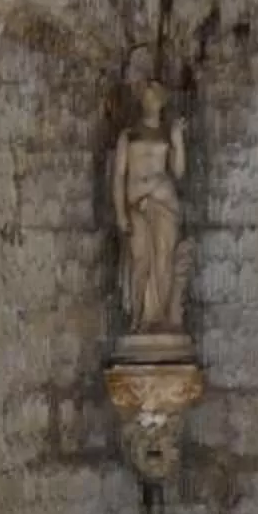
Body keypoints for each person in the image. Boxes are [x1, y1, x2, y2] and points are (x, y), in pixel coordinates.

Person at [111, 61, 188, 336]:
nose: (149, 101)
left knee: (164, 257)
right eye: (146, 96)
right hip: (137, 203)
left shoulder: (167, 133)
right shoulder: (128, 135)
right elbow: (119, 176)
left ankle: (161, 319)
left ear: (162, 101)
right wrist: (120, 212)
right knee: (140, 256)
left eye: (154, 96)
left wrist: (178, 141)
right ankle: (139, 317)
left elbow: (177, 172)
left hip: (164, 204)